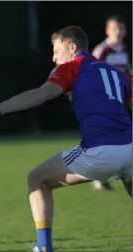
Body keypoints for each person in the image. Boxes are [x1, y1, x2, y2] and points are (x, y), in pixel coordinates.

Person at [0, 26, 132, 252]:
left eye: (57, 51)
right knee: (129, 176)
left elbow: (42, 94)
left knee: (37, 179)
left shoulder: (71, 67)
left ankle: (43, 247)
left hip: (100, 151)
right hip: (130, 147)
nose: (54, 57)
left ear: (72, 47)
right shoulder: (116, 73)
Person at [91, 15, 131, 190]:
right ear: (107, 31)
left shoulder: (123, 49)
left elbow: (126, 75)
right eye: (115, 28)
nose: (118, 32)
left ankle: (102, 176)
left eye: (121, 28)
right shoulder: (102, 51)